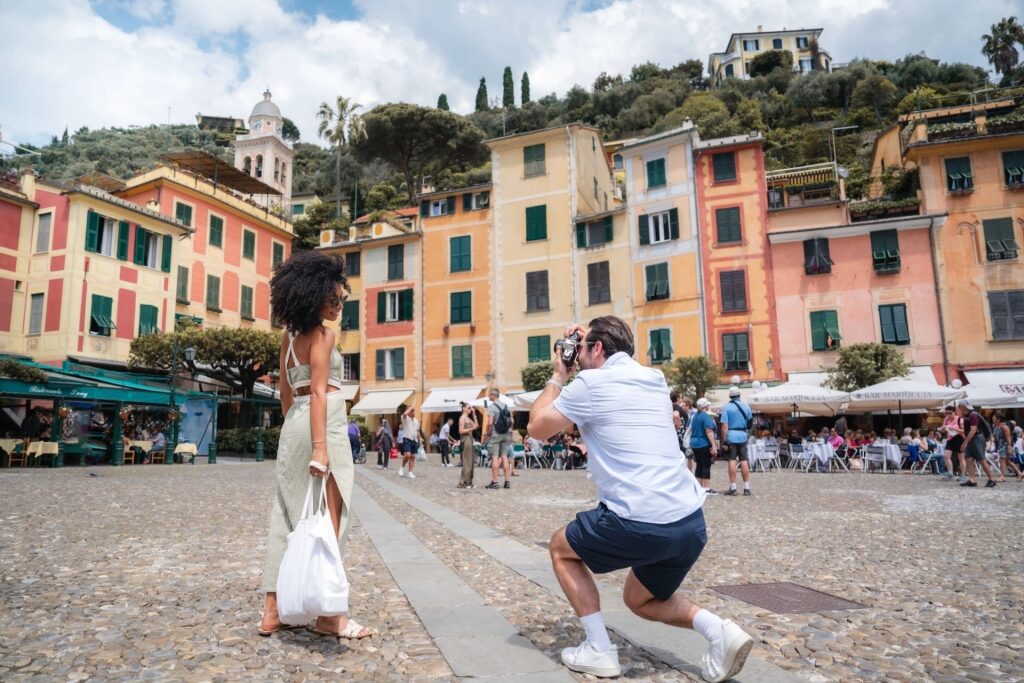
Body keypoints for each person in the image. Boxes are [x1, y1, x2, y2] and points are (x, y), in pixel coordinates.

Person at [528, 316, 752, 682]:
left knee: (560, 548)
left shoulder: (589, 382)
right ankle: (720, 631)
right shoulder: (654, 379)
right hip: (690, 522)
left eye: (584, 348)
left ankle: (599, 650)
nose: (578, 355)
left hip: (638, 520)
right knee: (639, 599)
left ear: (597, 349)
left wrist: (559, 374)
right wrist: (588, 340)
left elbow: (537, 428)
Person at [259, 250, 371, 640]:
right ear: (315, 296)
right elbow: (321, 393)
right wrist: (321, 447)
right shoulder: (324, 334)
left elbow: (286, 395)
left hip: (294, 424)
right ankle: (329, 616)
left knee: (287, 514)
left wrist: (296, 431)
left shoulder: (288, 337)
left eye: (342, 299)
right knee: (332, 518)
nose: (339, 306)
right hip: (326, 423)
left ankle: (272, 612)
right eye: (334, 300)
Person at [719, 387, 753, 497]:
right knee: (744, 460)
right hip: (742, 435)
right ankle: (746, 487)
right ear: (739, 395)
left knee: (732, 460)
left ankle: (733, 487)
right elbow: (750, 423)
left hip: (731, 436)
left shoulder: (726, 407)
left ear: (730, 396)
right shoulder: (746, 406)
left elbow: (724, 426)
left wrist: (724, 440)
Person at [957, 401, 996, 488]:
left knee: (981, 459)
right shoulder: (968, 416)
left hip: (977, 439)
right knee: (969, 459)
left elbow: (973, 430)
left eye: (959, 406)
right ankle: (972, 480)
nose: (958, 408)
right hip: (972, 439)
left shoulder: (972, 415)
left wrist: (965, 442)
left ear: (962, 407)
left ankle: (992, 479)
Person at [483, 388, 513, 490]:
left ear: (493, 395)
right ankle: (507, 481)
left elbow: (490, 422)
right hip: (505, 434)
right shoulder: (505, 406)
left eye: (489, 395)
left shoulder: (491, 407)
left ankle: (495, 482)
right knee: (504, 456)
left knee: (495, 457)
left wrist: (488, 432)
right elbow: (511, 421)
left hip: (496, 434)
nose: (488, 397)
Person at [689, 398, 718, 494]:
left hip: (694, 443)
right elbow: (709, 431)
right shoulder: (706, 417)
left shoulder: (694, 416)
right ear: (706, 407)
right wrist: (714, 445)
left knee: (699, 465)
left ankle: (698, 488)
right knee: (706, 465)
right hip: (703, 443)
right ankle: (706, 488)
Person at [992, 413, 1023, 482]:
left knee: (1002, 460)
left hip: (1005, 445)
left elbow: (1008, 438)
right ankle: (1019, 473)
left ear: (999, 419)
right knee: (1007, 461)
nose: (993, 418)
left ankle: (1002, 476)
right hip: (1000, 445)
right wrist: (996, 446)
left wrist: (1009, 448)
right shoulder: (994, 426)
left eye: (994, 417)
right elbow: (995, 437)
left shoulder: (1004, 427)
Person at [457, 402, 479, 489]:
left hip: (470, 439)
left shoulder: (468, 418)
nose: (471, 409)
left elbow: (476, 425)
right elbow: (460, 431)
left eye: (471, 408)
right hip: (465, 440)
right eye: (469, 408)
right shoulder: (462, 418)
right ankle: (464, 482)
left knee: (470, 461)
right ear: (464, 408)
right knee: (467, 462)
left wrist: (474, 414)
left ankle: (469, 481)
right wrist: (470, 429)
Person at [941, 406, 965, 481]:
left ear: (954, 412)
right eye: (946, 413)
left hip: (959, 438)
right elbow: (943, 431)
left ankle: (963, 475)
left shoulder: (959, 419)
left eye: (950, 413)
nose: (948, 414)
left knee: (960, 457)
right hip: (950, 438)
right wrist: (943, 429)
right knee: (946, 456)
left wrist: (954, 428)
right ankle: (950, 473)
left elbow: (963, 430)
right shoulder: (946, 419)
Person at [398, 405, 419, 479]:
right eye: (411, 410)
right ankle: (402, 467)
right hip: (407, 438)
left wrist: (419, 440)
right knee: (407, 455)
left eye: (413, 410)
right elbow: (404, 414)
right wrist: (410, 408)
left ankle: (410, 472)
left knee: (412, 457)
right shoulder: (405, 418)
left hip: (414, 440)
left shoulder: (416, 420)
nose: (413, 411)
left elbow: (417, 431)